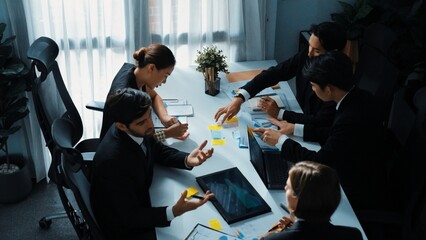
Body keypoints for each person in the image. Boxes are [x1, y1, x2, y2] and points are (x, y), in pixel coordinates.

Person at [254, 51, 386, 211]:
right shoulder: (359, 97)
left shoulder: (349, 117)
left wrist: (280, 141)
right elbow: (333, 132)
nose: (313, 90)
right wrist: (295, 128)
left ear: (329, 89)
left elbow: (321, 162)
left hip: (355, 187)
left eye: (313, 86)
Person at [91, 88, 214, 240]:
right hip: (125, 228)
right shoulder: (112, 163)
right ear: (121, 126)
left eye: (149, 115)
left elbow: (155, 149)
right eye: (142, 122)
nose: (150, 124)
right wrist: (173, 211)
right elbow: (129, 217)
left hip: (140, 198)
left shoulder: (136, 128)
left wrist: (187, 159)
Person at [215, 22, 347, 142]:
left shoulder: (337, 83)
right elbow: (275, 73)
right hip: (298, 120)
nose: (309, 54)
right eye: (309, 46)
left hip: (314, 135)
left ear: (333, 53)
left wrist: (281, 114)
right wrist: (240, 97)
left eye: (317, 50)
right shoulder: (307, 56)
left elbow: (321, 121)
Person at [100, 43, 188, 141]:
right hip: (120, 148)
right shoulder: (127, 96)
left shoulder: (137, 74)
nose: (164, 81)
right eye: (165, 75)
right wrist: (167, 133)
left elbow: (154, 96)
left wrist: (165, 118)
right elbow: (139, 142)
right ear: (151, 68)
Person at [261, 161, 363, 240]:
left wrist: (267, 236)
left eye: (288, 186)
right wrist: (294, 224)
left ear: (297, 198)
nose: (285, 188)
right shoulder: (353, 235)